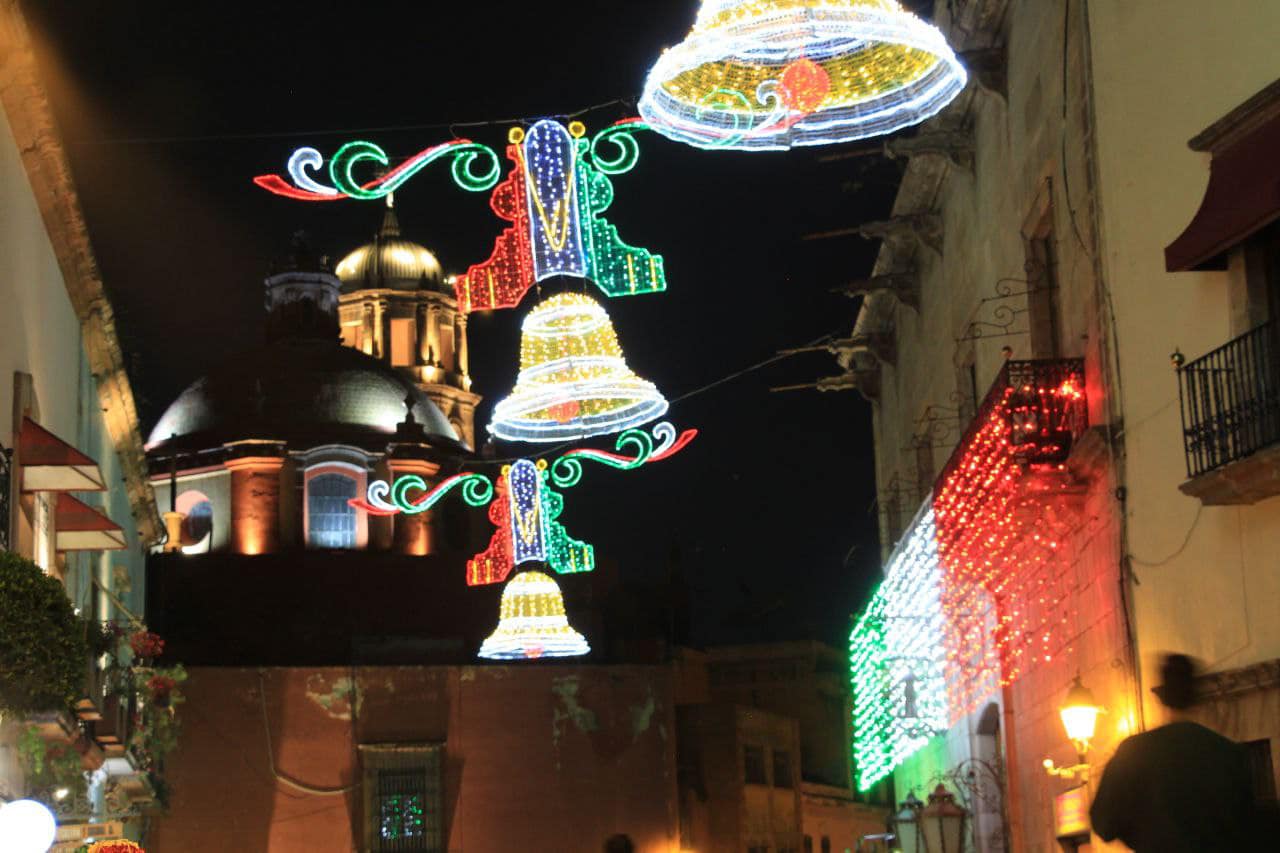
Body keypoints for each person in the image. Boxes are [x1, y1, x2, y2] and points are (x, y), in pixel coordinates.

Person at [1089, 654, 1254, 851]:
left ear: (1162, 696)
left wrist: (1141, 835)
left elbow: (1104, 824)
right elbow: (1247, 826)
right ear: (1195, 695)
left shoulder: (1134, 752)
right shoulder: (1229, 753)